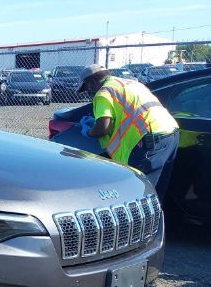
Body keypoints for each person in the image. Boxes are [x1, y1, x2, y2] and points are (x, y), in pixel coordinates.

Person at [77, 64, 180, 197]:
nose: (89, 92)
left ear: (91, 82)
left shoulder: (103, 93)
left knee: (140, 192)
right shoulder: (131, 83)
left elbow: (102, 128)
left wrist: (88, 131)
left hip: (150, 140)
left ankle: (144, 218)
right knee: (157, 190)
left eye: (87, 88)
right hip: (170, 132)